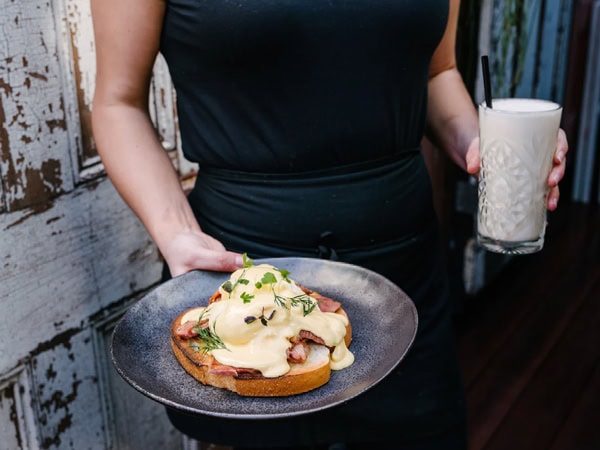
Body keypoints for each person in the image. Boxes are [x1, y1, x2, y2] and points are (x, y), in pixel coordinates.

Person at [90, 0, 569, 448]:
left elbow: (436, 72)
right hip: (241, 293)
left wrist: (482, 147)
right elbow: (118, 103)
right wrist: (176, 233)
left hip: (405, 286)